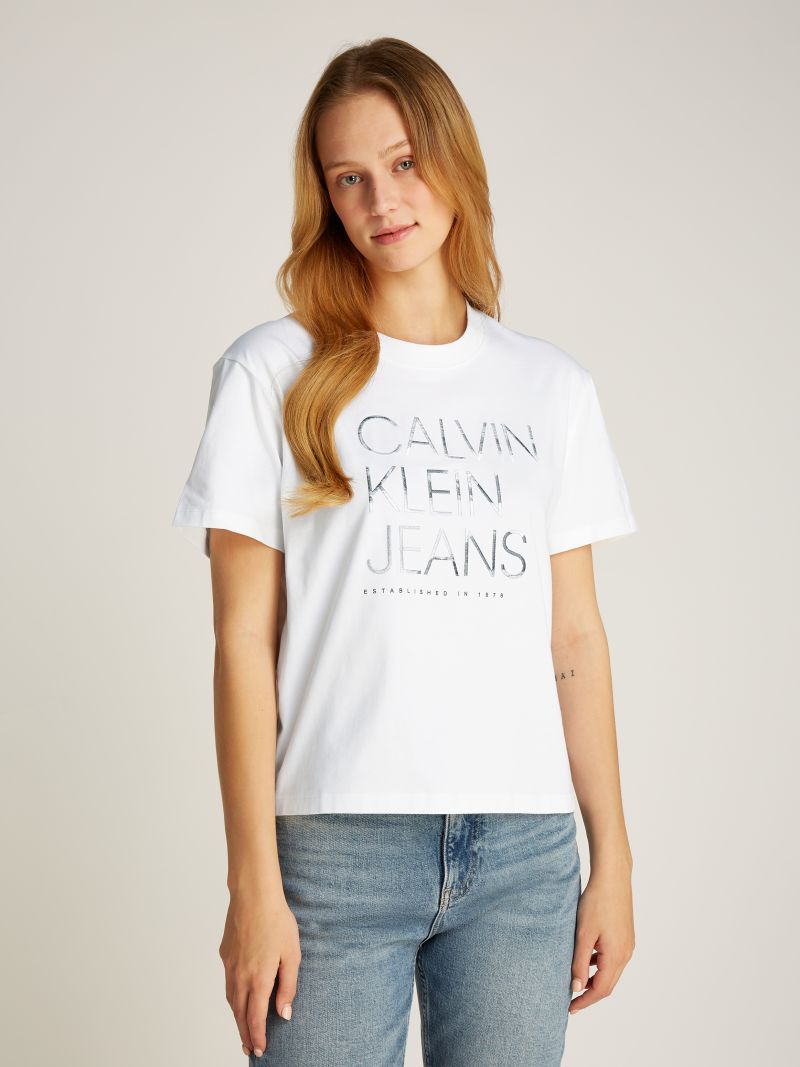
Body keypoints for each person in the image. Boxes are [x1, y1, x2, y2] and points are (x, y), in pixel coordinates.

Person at [172, 36, 638, 1067]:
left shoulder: (550, 387)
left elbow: (574, 638)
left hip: (522, 853)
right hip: (335, 854)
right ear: (325, 198)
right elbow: (241, 640)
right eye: (349, 178)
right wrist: (252, 881)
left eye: (403, 162)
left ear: (452, 158)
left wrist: (612, 858)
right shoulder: (271, 370)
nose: (381, 200)